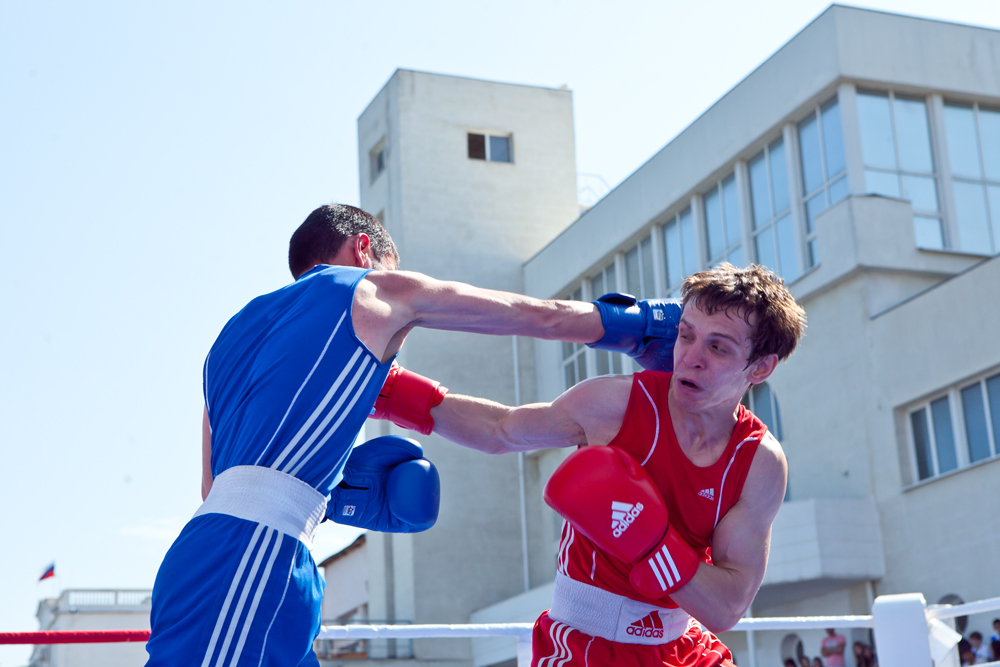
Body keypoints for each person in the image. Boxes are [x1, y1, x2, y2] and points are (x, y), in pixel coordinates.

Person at [143, 204, 659, 667]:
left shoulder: (231, 344)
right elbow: (530, 314)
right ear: (363, 249)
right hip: (250, 560)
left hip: (225, 555)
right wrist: (637, 325)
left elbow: (497, 429)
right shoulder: (365, 290)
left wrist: (596, 417)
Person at [377, 263, 805, 666]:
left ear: (761, 367)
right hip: (580, 645)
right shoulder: (616, 405)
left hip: (682, 647)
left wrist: (653, 545)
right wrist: (389, 390)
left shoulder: (758, 462)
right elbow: (501, 430)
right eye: (686, 335)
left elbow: (727, 605)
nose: (691, 357)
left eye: (717, 347)